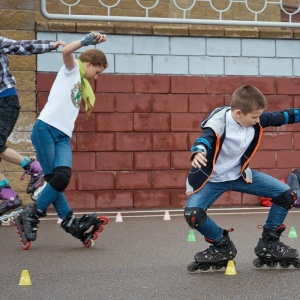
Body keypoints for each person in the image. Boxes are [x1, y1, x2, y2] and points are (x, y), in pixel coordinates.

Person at [184, 84, 300, 269]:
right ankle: (221, 245)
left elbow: (284, 116)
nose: (257, 121)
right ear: (238, 113)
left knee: (287, 195)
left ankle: (269, 243)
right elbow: (205, 138)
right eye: (253, 117)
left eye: (259, 116)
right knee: (193, 214)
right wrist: (198, 151)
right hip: (212, 180)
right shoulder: (219, 123)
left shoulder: (255, 118)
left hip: (239, 175)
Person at [19, 31, 108, 243]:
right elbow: (67, 50)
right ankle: (33, 213)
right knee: (56, 179)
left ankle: (68, 221)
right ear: (88, 63)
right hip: (46, 129)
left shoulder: (81, 81)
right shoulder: (72, 69)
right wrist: (88, 40)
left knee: (60, 178)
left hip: (62, 136)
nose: (96, 77)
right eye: (97, 71)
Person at [0, 36, 66, 216]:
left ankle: (34, 169)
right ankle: (8, 195)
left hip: (5, 100)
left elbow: (20, 46)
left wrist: (51, 44)